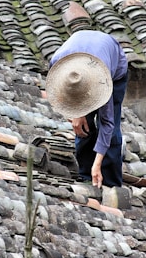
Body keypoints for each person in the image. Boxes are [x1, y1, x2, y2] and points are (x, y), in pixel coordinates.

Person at [46, 30, 128, 188]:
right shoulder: (56, 65)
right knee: (82, 126)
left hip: (112, 67)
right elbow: (59, 99)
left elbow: (107, 124)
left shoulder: (103, 81)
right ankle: (85, 175)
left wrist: (97, 164)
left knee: (112, 132)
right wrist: (75, 114)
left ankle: (109, 180)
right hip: (81, 47)